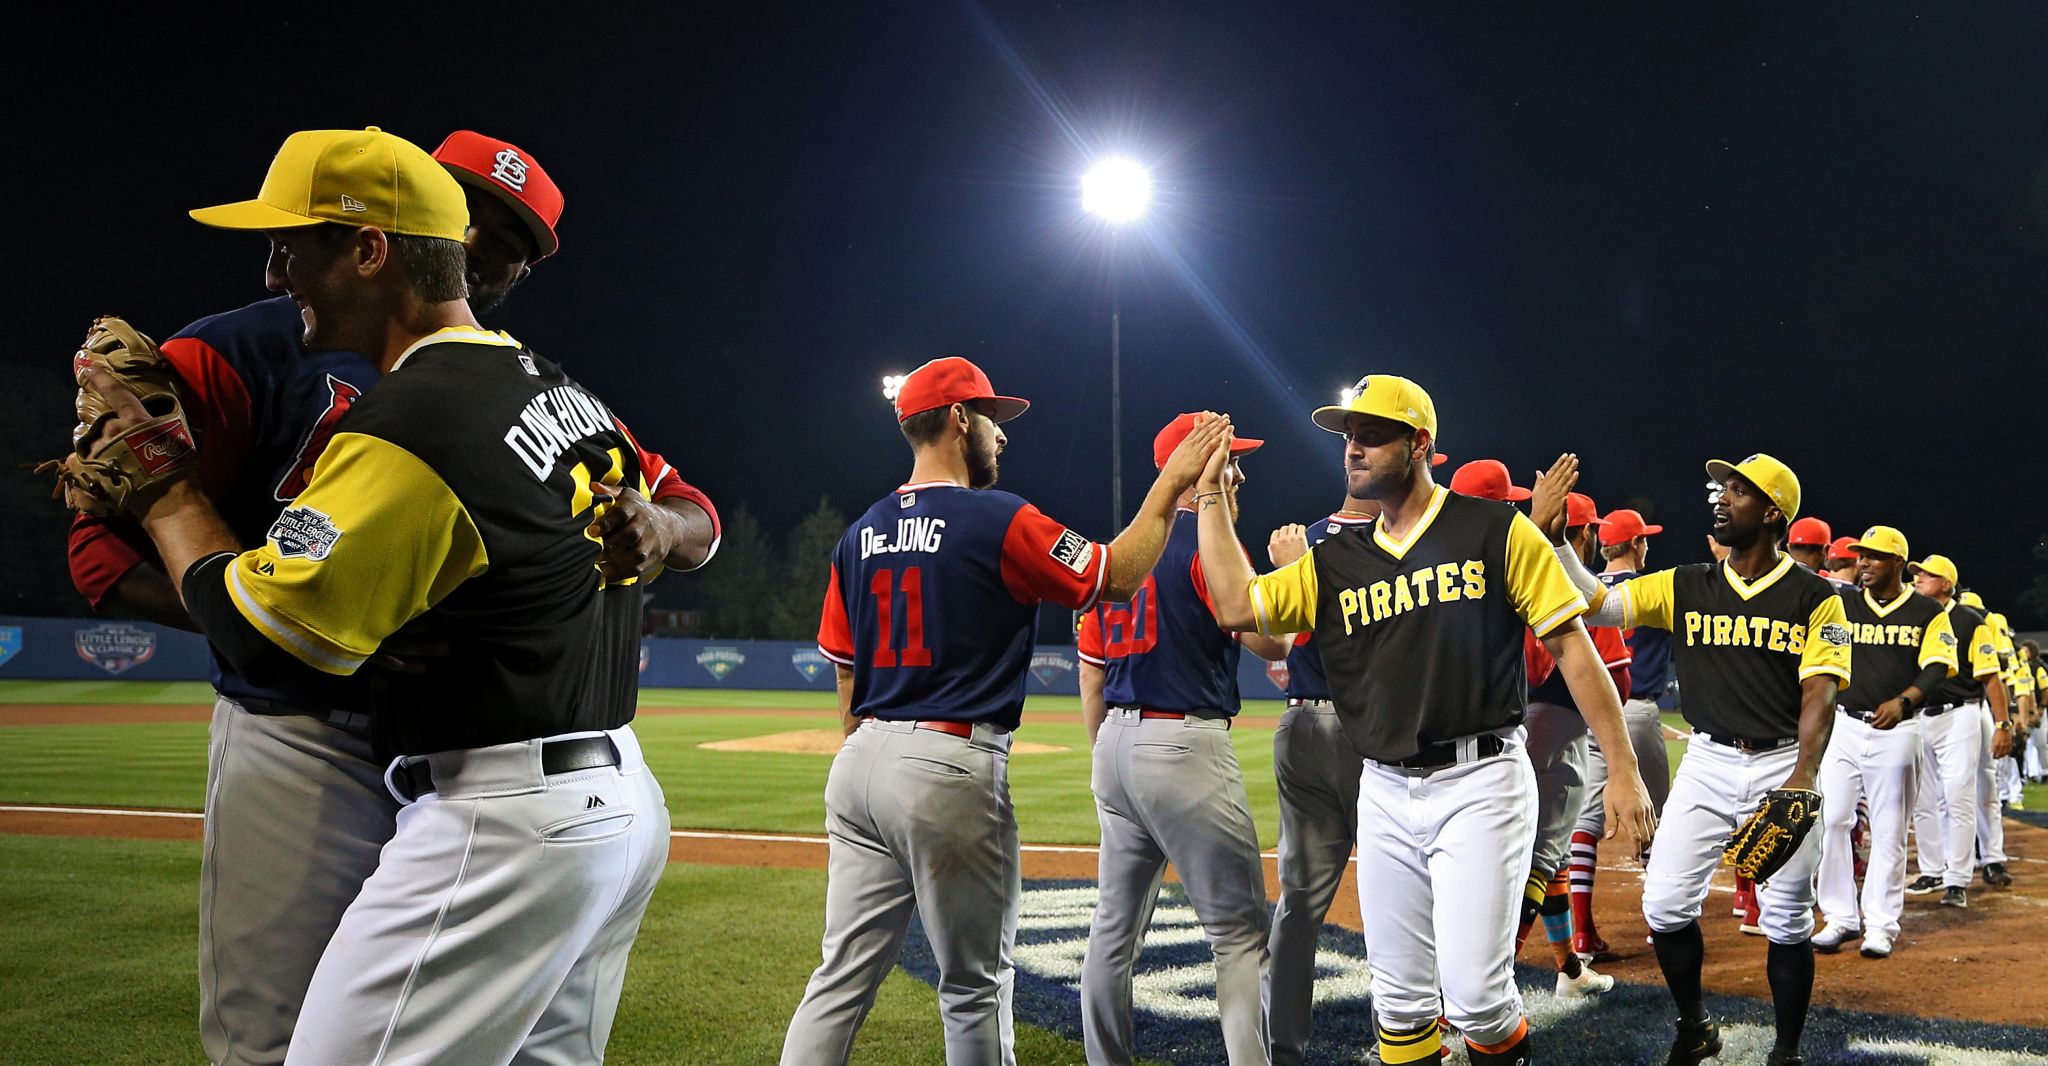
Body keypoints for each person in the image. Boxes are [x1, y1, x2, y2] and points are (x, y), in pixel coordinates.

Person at [61, 129, 716, 1066]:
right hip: (310, 735)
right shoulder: (247, 350)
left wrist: (657, 524)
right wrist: (340, 617)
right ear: (412, 220)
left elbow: (687, 508)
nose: (483, 247)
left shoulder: (484, 384)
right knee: (278, 1035)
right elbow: (101, 556)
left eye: (511, 244)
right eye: (467, 215)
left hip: (477, 771)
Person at [1193, 375, 1657, 1066]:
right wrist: (1208, 494)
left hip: (1482, 780)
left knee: (1477, 1000)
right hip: (1380, 787)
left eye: (1372, 434)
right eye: (1348, 436)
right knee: (1403, 1006)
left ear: (1421, 445)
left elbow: (1573, 649)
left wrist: (1621, 768)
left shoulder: (1496, 530)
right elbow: (1235, 606)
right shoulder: (1333, 561)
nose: (1352, 448)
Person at [783, 359, 1229, 1065]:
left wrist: (868, 748)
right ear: (958, 420)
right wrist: (1172, 481)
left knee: (838, 979)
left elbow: (844, 669)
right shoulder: (1000, 517)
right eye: (993, 419)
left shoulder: (859, 532)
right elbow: (1116, 576)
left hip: (860, 760)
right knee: (975, 986)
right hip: (947, 761)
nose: (1004, 437)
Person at [1554, 452, 1852, 1066]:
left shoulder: (1819, 599)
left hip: (1781, 764)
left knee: (1788, 918)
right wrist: (1558, 541)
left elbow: (1820, 692)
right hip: (1709, 761)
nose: (1719, 497)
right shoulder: (1688, 582)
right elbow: (1597, 604)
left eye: (1737, 491)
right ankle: (1695, 1026)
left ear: (1773, 513)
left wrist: (1802, 778)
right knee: (1663, 904)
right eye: (1720, 487)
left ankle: (1788, 1050)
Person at [1075, 413, 1290, 1066]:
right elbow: (1270, 638)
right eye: (1228, 458)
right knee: (1238, 936)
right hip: (1183, 744)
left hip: (1115, 741)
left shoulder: (1123, 549)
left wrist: (1108, 756)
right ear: (1198, 466)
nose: (1239, 470)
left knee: (1113, 932)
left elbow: (1090, 674)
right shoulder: (1206, 541)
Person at [1810, 525, 1955, 961]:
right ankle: (1839, 916)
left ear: (1897, 563)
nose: (1864, 562)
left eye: (1874, 556)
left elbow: (1937, 666)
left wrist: (1905, 702)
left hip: (1899, 729)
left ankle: (1881, 923)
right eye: (1861, 555)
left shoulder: (1929, 611)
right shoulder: (1843, 603)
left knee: (1889, 829)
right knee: (1833, 819)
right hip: (1844, 726)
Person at [1518, 480, 1632, 996]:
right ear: (1581, 534)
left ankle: (1568, 968)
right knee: (1539, 858)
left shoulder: (1498, 561)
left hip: (1510, 725)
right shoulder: (1561, 574)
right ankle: (1489, 978)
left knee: (1554, 854)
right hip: (1557, 724)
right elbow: (1617, 680)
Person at [1572, 505, 1677, 961]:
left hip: (1587, 712)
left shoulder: (1584, 587)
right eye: (1644, 538)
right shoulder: (1649, 589)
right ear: (1635, 544)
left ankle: (1580, 934)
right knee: (1662, 820)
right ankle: (1665, 921)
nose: (1647, 544)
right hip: (1635, 709)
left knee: (1583, 823)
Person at [1902, 556, 2009, 903]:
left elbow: (1990, 676)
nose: (1917, 578)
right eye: (1916, 573)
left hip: (1959, 714)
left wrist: (2004, 722)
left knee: (1959, 797)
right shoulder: (1913, 612)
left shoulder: (1969, 620)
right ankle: (1932, 870)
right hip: (1918, 717)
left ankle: (1958, 879)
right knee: (1922, 801)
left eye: (1927, 575)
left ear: (1947, 584)